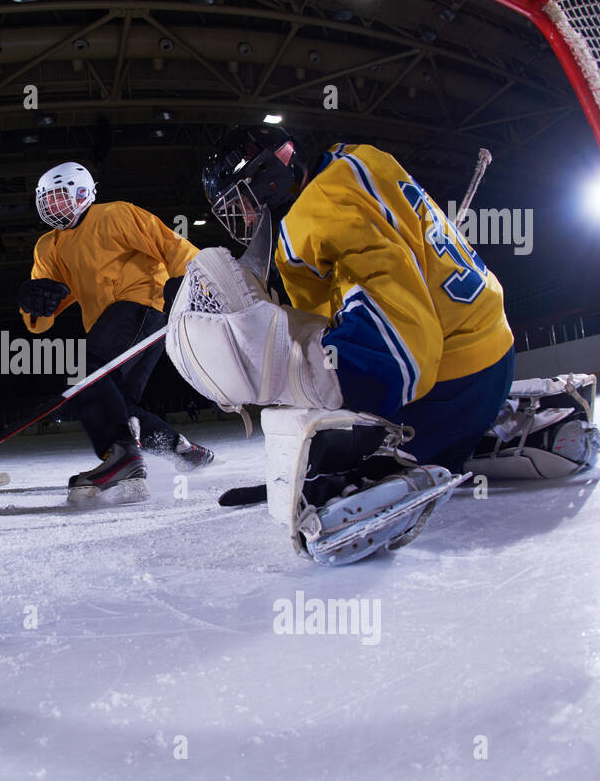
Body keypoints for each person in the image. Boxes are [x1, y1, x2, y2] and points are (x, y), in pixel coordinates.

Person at [166, 126, 515, 562]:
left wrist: (287, 376)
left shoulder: (311, 219)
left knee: (326, 455)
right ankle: (484, 429)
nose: (245, 219)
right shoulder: (357, 159)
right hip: (492, 349)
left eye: (241, 203)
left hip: (455, 383)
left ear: (267, 177)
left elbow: (402, 356)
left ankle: (391, 468)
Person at [17, 161, 215, 505]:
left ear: (83, 193)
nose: (53, 208)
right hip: (109, 325)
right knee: (117, 401)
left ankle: (121, 456)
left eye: (59, 199)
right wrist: (34, 304)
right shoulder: (48, 247)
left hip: (140, 304)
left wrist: (201, 282)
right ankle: (179, 448)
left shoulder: (116, 215)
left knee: (84, 372)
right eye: (47, 202)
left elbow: (171, 246)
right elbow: (43, 314)